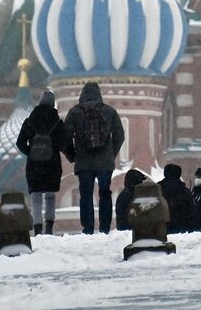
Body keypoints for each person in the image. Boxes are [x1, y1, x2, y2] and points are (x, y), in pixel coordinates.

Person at [63, 81, 124, 234]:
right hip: (104, 162)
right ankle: (104, 228)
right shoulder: (109, 111)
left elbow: (64, 137)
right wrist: (111, 154)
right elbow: (120, 135)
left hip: (84, 162)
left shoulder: (75, 112)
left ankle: (88, 228)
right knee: (105, 193)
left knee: (86, 195)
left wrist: (72, 156)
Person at [15, 89, 73, 236]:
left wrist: (32, 153)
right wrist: (73, 156)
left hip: (34, 166)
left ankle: (37, 227)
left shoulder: (30, 121)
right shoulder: (57, 122)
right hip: (51, 164)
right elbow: (64, 144)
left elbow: (20, 142)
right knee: (50, 196)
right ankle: (49, 225)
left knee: (35, 197)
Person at [159, 164, 193, 234]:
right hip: (181, 229)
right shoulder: (185, 191)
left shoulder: (157, 189)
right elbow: (191, 210)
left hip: (161, 228)